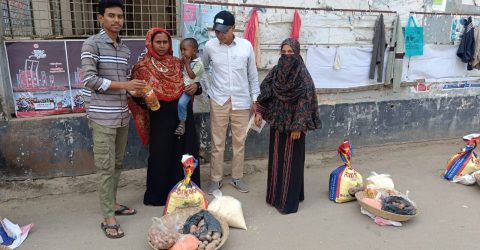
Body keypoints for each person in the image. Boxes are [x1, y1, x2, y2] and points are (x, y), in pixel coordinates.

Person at [81, 0, 146, 239]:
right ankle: (108, 215)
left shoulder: (124, 48)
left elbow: (122, 83)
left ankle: (113, 202)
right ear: (100, 18)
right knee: (105, 167)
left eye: (120, 16)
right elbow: (90, 80)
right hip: (101, 116)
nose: (117, 20)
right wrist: (125, 85)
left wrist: (133, 90)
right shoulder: (92, 44)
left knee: (117, 164)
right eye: (111, 16)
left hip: (121, 115)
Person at [128, 27, 203, 206]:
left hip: (182, 119)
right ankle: (160, 195)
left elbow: (194, 82)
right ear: (150, 43)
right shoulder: (142, 67)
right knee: (161, 155)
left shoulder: (178, 63)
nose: (162, 46)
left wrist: (197, 88)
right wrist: (146, 100)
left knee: (185, 154)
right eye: (158, 42)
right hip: (160, 118)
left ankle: (187, 193)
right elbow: (135, 94)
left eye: (165, 42)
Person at [254, 38, 321, 214]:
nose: (286, 56)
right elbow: (266, 91)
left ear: (297, 54)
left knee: (292, 162)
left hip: (294, 127)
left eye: (290, 53)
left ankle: (288, 202)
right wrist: (259, 112)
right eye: (283, 53)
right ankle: (275, 197)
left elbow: (305, 101)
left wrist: (298, 126)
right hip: (277, 122)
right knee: (277, 160)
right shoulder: (276, 71)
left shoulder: (303, 76)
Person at [202, 10, 260, 194]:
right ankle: (215, 179)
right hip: (218, 100)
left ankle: (237, 178)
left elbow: (252, 74)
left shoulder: (246, 46)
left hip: (242, 101)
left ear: (233, 28)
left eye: (224, 31)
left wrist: (255, 99)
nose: (220, 35)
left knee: (239, 142)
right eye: (217, 31)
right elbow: (201, 70)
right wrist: (209, 92)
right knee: (217, 143)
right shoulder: (210, 46)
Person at [174, 38, 205, 136]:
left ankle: (182, 122)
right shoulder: (186, 60)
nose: (182, 52)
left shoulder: (199, 64)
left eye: (185, 50)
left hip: (188, 89)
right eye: (181, 50)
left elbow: (192, 76)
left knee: (181, 103)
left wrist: (186, 64)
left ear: (194, 51)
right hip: (181, 86)